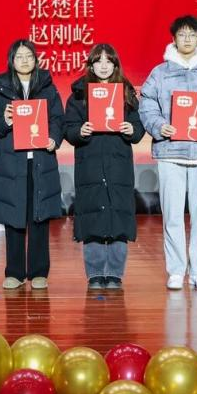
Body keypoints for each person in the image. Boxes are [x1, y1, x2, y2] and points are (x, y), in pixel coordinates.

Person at [138, 15, 197, 290]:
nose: (188, 39)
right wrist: (159, 126)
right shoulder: (160, 73)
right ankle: (176, 271)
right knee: (172, 215)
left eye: (192, 34)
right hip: (170, 152)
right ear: (174, 39)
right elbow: (147, 105)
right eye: (182, 35)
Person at [62, 44, 146, 290]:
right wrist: (80, 131)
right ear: (90, 65)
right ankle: (96, 273)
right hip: (89, 164)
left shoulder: (126, 93)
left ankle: (116, 274)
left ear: (115, 65)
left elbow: (139, 127)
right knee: (93, 217)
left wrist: (132, 130)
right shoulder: (79, 95)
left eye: (109, 61)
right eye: (98, 61)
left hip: (118, 165)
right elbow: (68, 129)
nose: (103, 66)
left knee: (118, 216)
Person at [0, 39, 64, 290]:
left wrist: (54, 139)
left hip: (40, 161)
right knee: (14, 217)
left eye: (29, 56)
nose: (24, 61)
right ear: (12, 60)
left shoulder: (47, 88)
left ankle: (39, 272)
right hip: (11, 164)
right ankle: (15, 272)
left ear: (35, 60)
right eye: (19, 56)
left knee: (39, 217)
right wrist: (5, 120)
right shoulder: (1, 89)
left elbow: (58, 120)